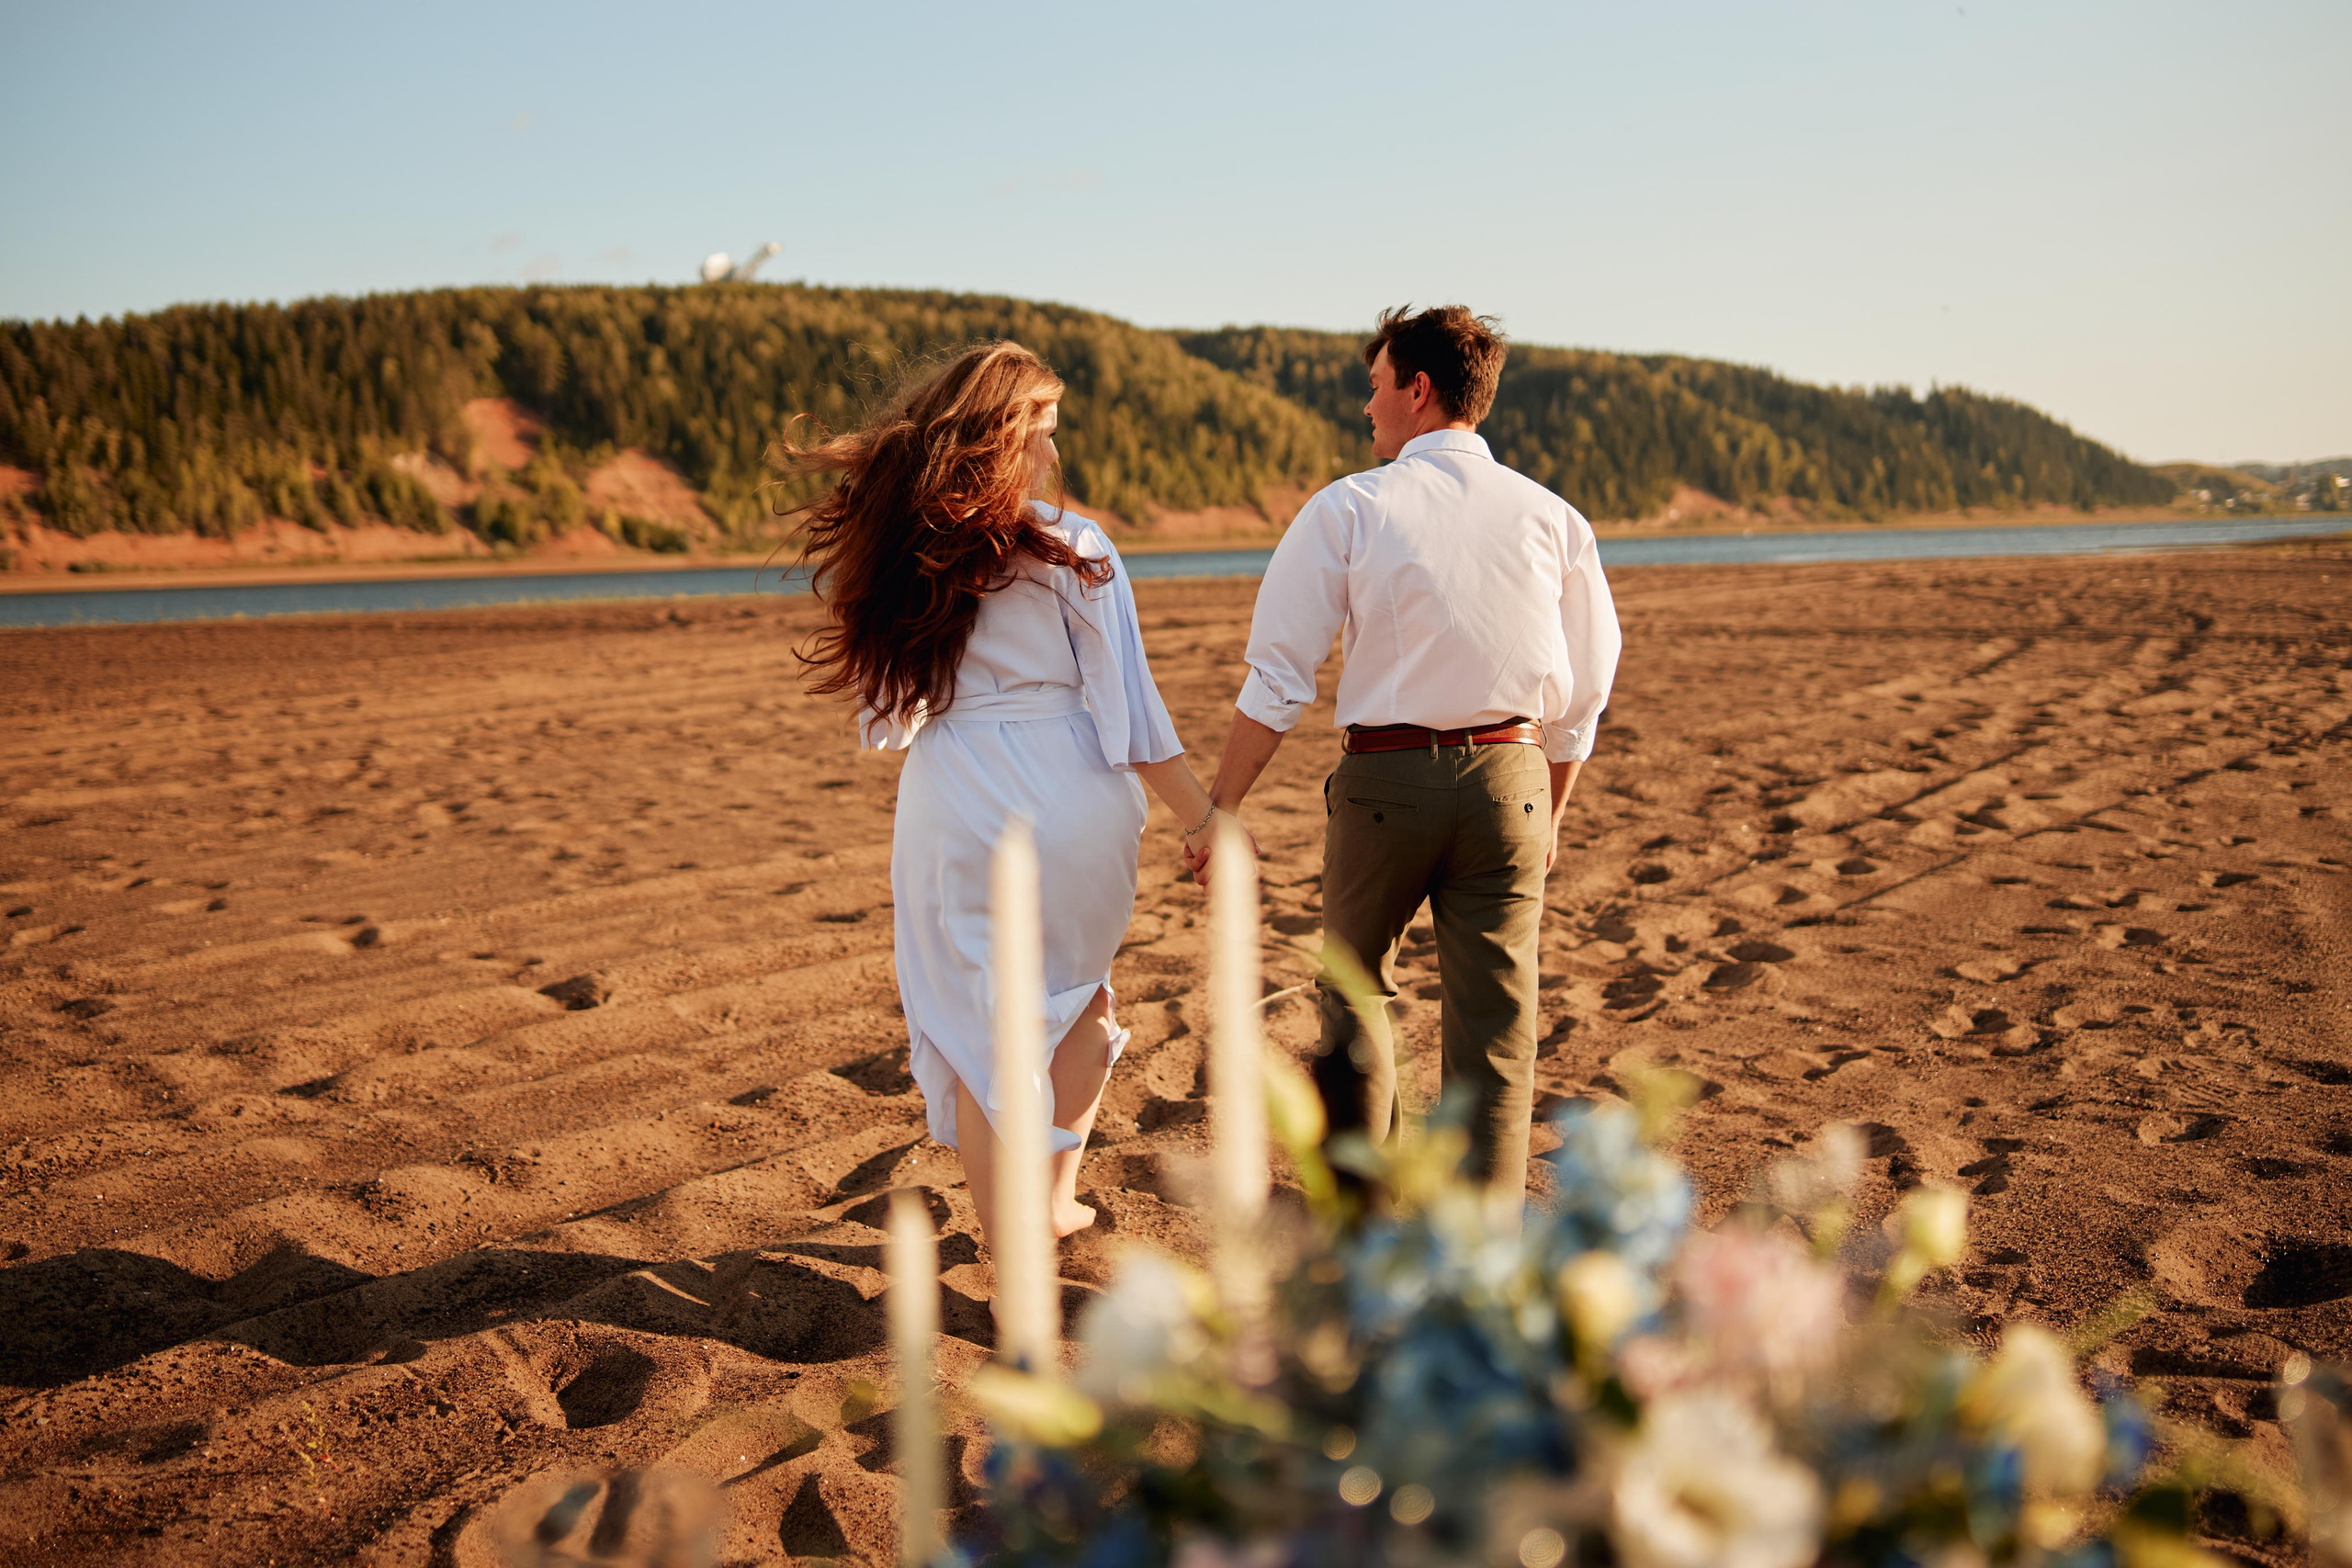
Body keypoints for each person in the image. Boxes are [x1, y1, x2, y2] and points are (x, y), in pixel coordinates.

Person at [775, 341, 1222, 1249]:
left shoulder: (903, 552)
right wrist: (1204, 818)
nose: (1053, 453)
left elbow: (889, 718)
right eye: (1040, 433)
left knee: (982, 1039)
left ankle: (1006, 1246)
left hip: (958, 795)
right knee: (1080, 1001)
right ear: (996, 441)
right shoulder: (1076, 547)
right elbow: (1133, 713)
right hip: (1074, 796)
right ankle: (1051, 1204)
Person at [1201, 305, 1622, 1208]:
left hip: (1386, 784)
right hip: (1512, 781)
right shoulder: (1554, 517)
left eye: (1375, 386)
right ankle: (1484, 1240)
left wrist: (1221, 806)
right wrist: (1550, 810)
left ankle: (1367, 1227)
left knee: (1355, 1001)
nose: (1368, 407)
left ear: (1417, 389)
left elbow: (1278, 676)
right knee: (1497, 1023)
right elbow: (1586, 692)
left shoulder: (1352, 506)